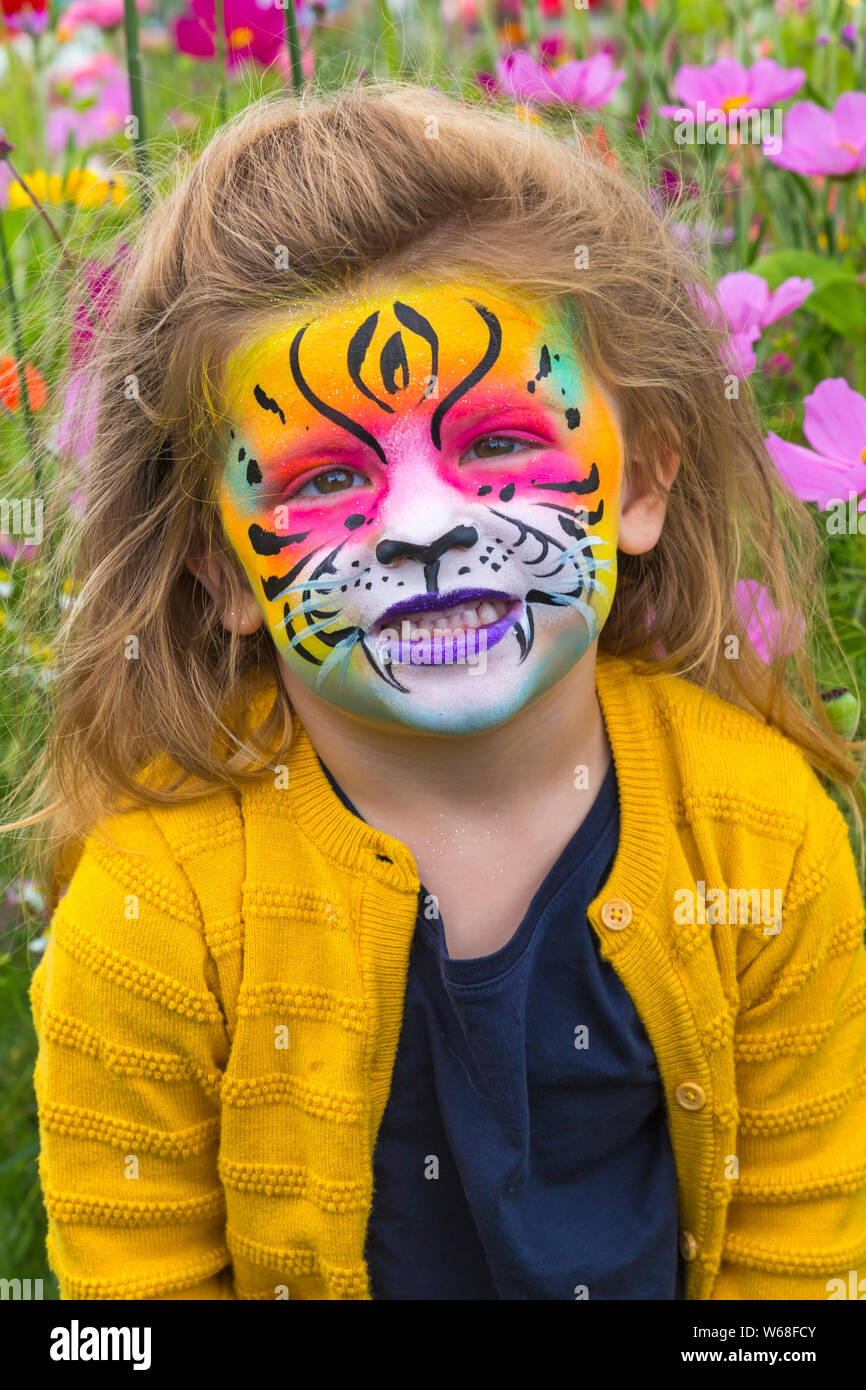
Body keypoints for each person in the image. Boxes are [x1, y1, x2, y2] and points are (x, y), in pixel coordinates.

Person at [26, 82, 866, 1300]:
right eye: (321, 479)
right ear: (218, 566)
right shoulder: (155, 913)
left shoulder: (759, 838)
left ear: (643, 479)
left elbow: (799, 1280)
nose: (422, 528)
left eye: (500, 444)